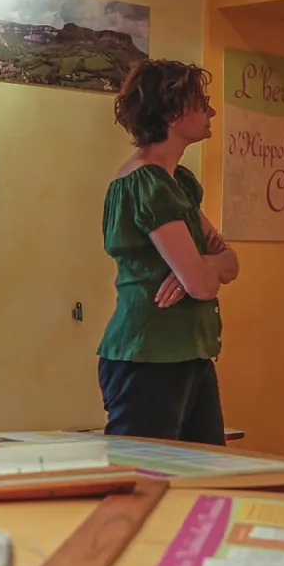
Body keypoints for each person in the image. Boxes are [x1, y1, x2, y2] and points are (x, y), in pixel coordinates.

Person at [96, 58, 239, 445]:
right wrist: (200, 270)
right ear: (173, 112)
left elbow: (230, 262)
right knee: (143, 471)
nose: (211, 112)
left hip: (187, 353)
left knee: (205, 469)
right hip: (151, 356)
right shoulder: (147, 183)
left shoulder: (178, 181)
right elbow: (203, 286)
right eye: (201, 103)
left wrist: (200, 265)